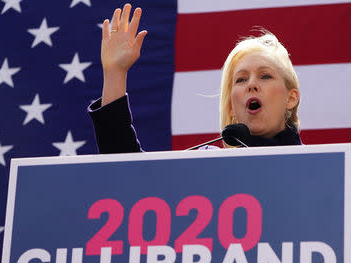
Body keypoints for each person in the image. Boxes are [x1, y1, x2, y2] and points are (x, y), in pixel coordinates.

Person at [88, 4, 302, 153]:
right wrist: (115, 72)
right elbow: (133, 176)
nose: (252, 85)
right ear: (230, 108)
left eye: (265, 76)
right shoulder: (206, 163)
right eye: (241, 80)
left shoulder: (324, 166)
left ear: (291, 98)